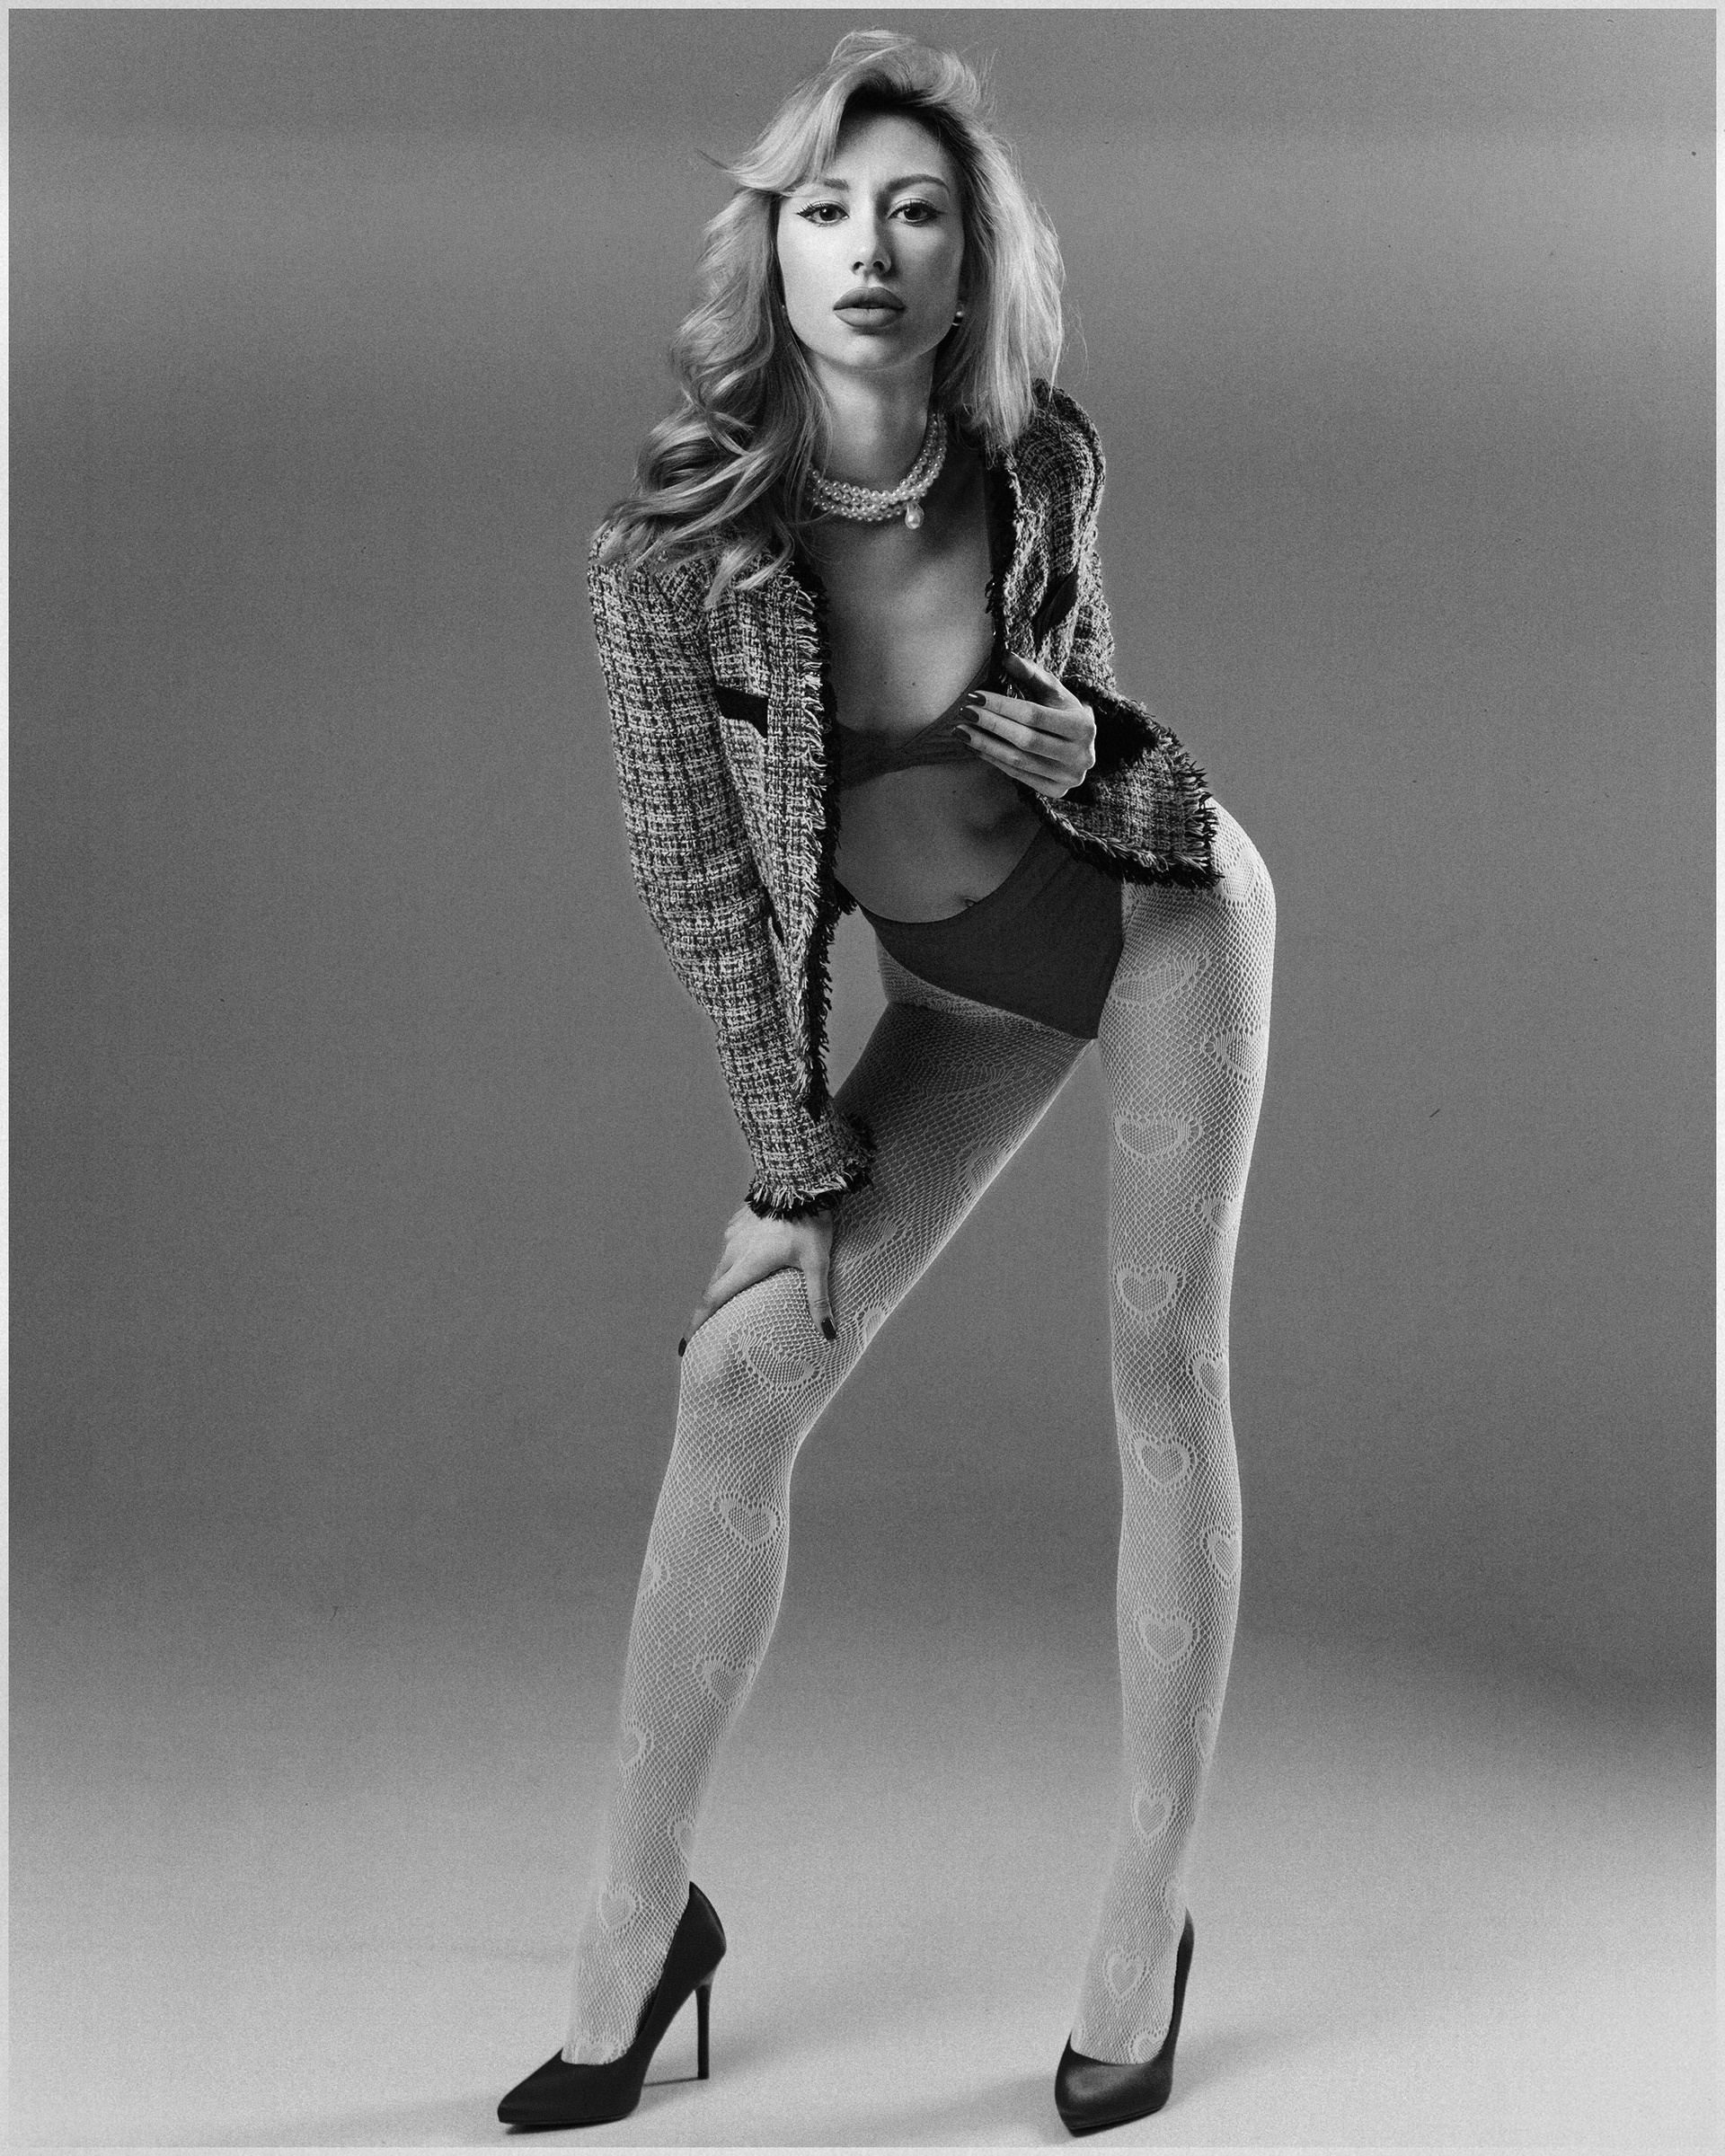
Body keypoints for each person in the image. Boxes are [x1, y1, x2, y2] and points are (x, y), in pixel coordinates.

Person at [499, 30, 1274, 2137]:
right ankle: (633, 1933)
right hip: (960, 997)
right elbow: (698, 884)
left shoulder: (1042, 465)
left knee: (1163, 1369)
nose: (871, 246)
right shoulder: (672, 558)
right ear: (774, 250)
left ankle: (1144, 1922)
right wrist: (791, 1149)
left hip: (1156, 931)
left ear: (966, 264)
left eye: (917, 211)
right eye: (829, 207)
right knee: (736, 1381)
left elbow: (1128, 759)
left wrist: (1102, 751)